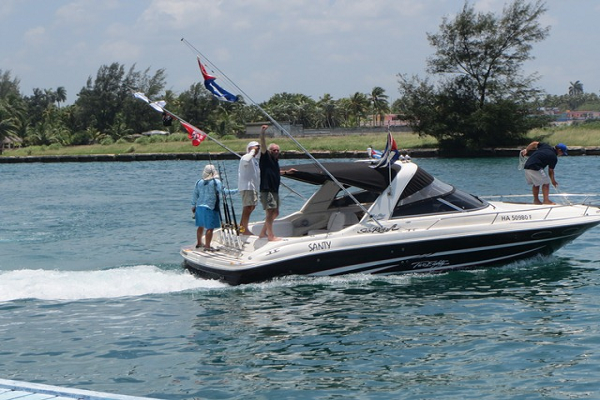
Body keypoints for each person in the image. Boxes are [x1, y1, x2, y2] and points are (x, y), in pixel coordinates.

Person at [258, 125, 294, 241]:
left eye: (278, 150)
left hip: (275, 190)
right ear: (270, 151)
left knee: (276, 212)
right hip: (267, 189)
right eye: (274, 150)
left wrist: (287, 172)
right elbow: (262, 144)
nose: (276, 152)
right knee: (270, 212)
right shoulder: (266, 157)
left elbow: (276, 172)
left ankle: (263, 232)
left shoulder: (275, 161)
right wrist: (262, 133)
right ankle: (270, 236)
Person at [191, 164, 237, 251]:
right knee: (210, 228)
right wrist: (237, 190)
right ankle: (207, 247)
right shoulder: (216, 182)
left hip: (199, 207)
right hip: (210, 208)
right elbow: (224, 192)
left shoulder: (198, 182)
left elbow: (195, 195)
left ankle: (199, 243)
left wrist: (193, 206)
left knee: (200, 226)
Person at [238, 141, 261, 235]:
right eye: (255, 148)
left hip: (253, 187)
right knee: (248, 207)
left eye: (257, 149)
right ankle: (244, 229)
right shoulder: (246, 157)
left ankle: (241, 227)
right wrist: (252, 151)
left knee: (251, 207)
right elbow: (245, 160)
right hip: (247, 186)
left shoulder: (255, 161)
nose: (256, 151)